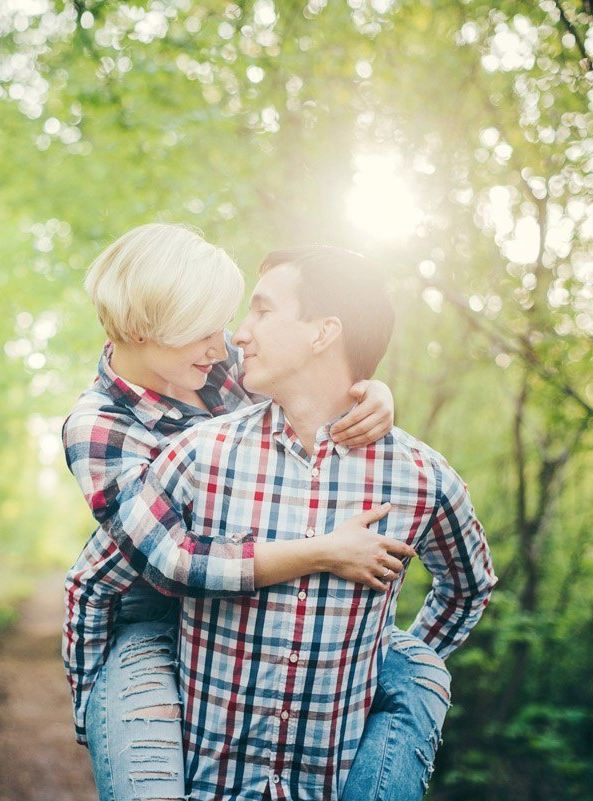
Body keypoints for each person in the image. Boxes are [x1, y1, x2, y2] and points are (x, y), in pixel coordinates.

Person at [103, 244, 498, 800]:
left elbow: (468, 588)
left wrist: (384, 663)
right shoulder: (197, 456)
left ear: (322, 333)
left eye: (262, 310)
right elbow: (110, 577)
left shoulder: (422, 479)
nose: (239, 334)